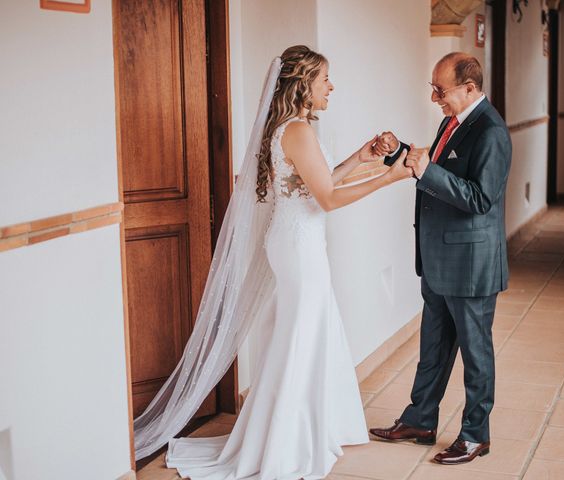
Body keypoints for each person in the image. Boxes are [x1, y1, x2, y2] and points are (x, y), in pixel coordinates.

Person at [133, 45, 413, 479]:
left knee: (304, 331)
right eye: (324, 80)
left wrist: (361, 159)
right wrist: (391, 176)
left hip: (294, 241)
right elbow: (329, 198)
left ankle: (303, 426)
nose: (330, 87)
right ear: (303, 85)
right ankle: (284, 438)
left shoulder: (289, 127)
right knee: (300, 334)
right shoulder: (297, 131)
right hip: (298, 248)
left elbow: (315, 186)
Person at [369, 52, 512, 465]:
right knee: (432, 348)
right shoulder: (453, 121)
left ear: (469, 88)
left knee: (475, 354)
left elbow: (480, 199)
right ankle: (420, 420)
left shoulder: (491, 131)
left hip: (471, 267)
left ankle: (474, 435)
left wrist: (426, 169)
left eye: (440, 89)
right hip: (437, 260)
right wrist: (400, 153)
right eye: (432, 87)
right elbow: (434, 169)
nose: (434, 97)